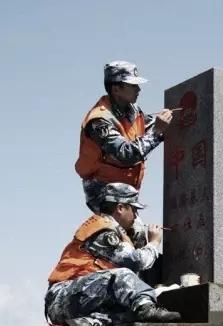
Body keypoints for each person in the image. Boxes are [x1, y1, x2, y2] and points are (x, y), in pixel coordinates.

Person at [45, 183, 180, 326]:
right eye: (134, 210)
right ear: (121, 208)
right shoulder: (103, 230)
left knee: (131, 313)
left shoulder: (114, 230)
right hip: (63, 297)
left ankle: (87, 323)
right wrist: (154, 242)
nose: (136, 216)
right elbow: (136, 261)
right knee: (123, 275)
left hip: (81, 301)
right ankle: (147, 308)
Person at [75, 60, 174, 246]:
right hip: (103, 192)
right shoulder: (98, 121)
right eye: (133, 85)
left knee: (137, 239)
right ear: (116, 89)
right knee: (124, 240)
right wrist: (158, 133)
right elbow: (126, 154)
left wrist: (162, 121)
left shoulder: (132, 111)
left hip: (126, 191)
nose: (138, 89)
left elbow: (146, 124)